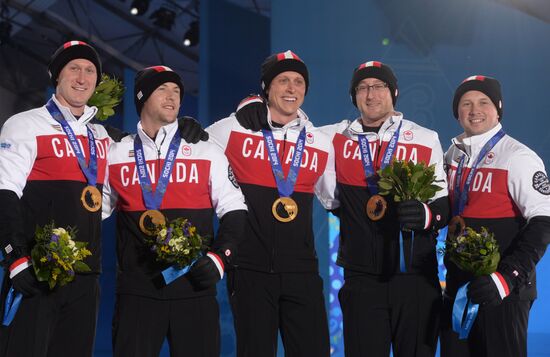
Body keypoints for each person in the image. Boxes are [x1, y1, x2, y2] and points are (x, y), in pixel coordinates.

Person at [101, 65, 248, 357]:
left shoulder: (206, 149)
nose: (172, 97)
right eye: (162, 89)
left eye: (177, 91)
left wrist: (220, 259)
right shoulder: (115, 153)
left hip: (194, 289)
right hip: (138, 292)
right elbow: (94, 210)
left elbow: (235, 208)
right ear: (142, 98)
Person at [206, 50, 337, 356]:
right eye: (283, 80)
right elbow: (190, 144)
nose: (292, 88)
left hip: (302, 271)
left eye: (298, 82)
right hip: (249, 268)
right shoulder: (234, 129)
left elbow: (334, 198)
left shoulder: (319, 141)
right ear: (266, 87)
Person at [0, 40, 109, 357]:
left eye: (90, 71)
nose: (82, 77)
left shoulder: (100, 137)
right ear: (56, 76)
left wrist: (180, 127)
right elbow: (4, 191)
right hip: (36, 271)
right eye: (73, 68)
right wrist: (16, 257)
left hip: (86, 280)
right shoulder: (25, 124)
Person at [440, 75, 550, 357]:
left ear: (498, 109)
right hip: (459, 289)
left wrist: (506, 278)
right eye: (466, 104)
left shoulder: (518, 156)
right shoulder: (452, 155)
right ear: (457, 112)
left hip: (503, 292)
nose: (475, 110)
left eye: (483, 102)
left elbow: (543, 223)